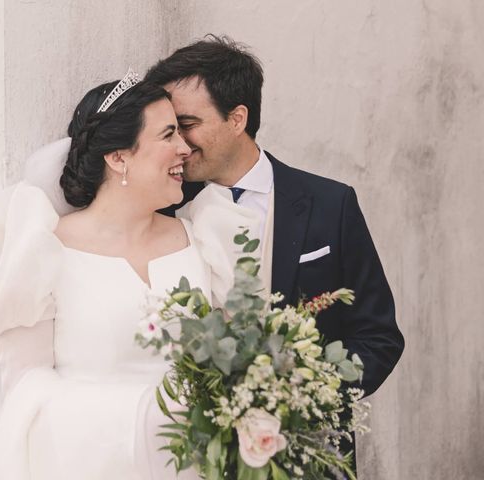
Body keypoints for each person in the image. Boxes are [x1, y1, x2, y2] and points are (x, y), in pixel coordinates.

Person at [0, 74, 251, 480]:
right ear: (119, 157)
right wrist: (142, 419)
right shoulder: (46, 249)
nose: (184, 148)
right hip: (91, 465)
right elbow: (25, 390)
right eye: (168, 134)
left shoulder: (206, 238)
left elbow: (239, 359)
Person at [145, 36, 404, 401]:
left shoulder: (331, 204)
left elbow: (379, 337)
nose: (179, 144)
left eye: (187, 124)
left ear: (237, 119)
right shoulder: (163, 208)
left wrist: (302, 400)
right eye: (170, 129)